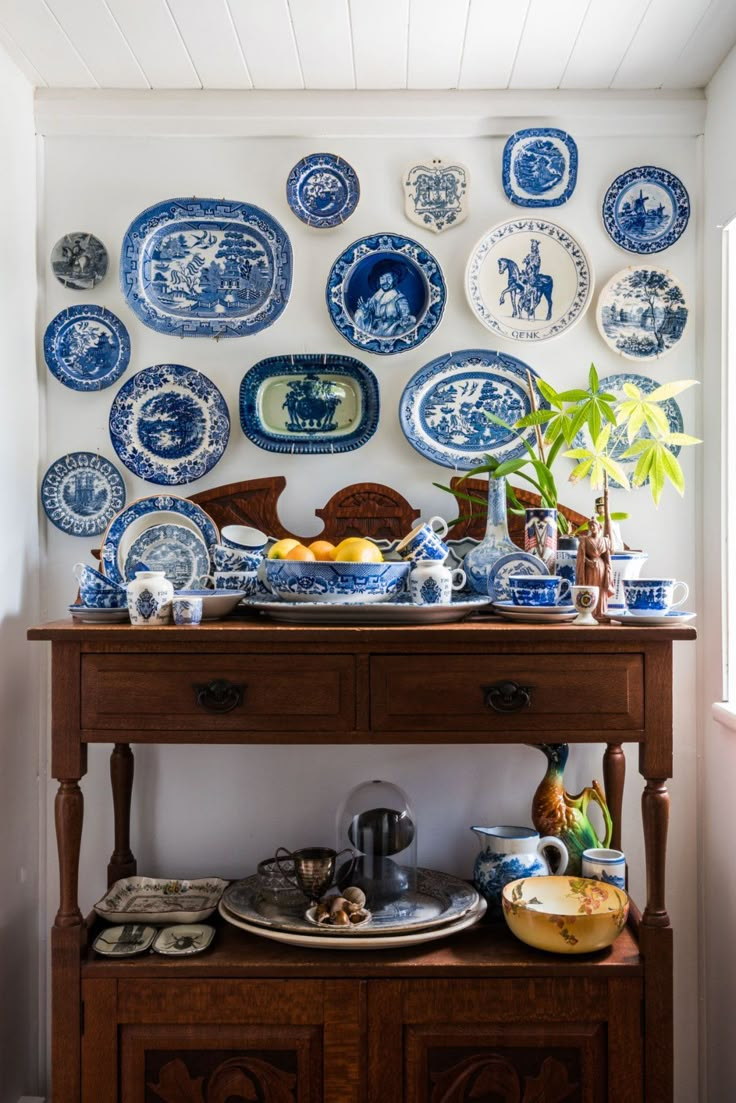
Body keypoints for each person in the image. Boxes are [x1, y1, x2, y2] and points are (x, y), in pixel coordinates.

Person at [354, 269, 416, 337]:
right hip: (375, 328)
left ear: (393, 279)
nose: (385, 282)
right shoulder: (376, 296)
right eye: (382, 278)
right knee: (359, 313)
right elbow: (371, 311)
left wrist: (404, 320)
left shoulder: (399, 298)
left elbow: (405, 317)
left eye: (388, 278)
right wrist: (365, 310)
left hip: (391, 330)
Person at [575, 517, 614, 618]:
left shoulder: (604, 541)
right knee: (590, 588)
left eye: (594, 525)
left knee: (601, 590)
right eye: (590, 526)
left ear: (599, 527)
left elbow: (607, 557)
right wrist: (588, 562)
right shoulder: (585, 540)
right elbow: (581, 556)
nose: (592, 527)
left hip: (601, 569)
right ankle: (590, 612)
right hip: (589, 569)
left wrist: (608, 573)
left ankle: (601, 612)